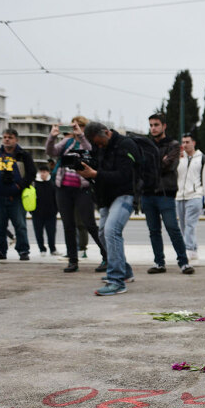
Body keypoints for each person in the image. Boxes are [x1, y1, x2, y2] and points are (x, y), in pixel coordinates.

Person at [76, 122, 138, 296]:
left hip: (126, 194)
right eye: (95, 144)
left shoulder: (126, 145)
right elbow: (97, 167)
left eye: (99, 142)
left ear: (106, 132)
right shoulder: (98, 147)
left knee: (112, 230)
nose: (98, 146)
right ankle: (124, 271)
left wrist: (95, 174)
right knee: (102, 234)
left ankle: (116, 281)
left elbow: (125, 175)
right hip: (106, 197)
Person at [46, 116, 107, 272]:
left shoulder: (89, 142)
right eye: (74, 126)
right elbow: (51, 151)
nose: (76, 128)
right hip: (64, 189)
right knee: (68, 226)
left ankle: (106, 255)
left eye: (80, 126)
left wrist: (80, 135)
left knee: (90, 224)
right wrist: (52, 136)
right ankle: (73, 260)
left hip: (82, 189)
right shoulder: (67, 142)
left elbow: (90, 151)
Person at [143, 113, 193, 275]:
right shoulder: (146, 144)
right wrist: (158, 161)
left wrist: (153, 163)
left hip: (166, 193)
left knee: (172, 228)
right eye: (151, 125)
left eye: (156, 124)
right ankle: (159, 262)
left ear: (164, 126)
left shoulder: (173, 144)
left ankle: (183, 262)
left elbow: (169, 166)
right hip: (148, 192)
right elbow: (141, 166)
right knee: (153, 230)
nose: (153, 128)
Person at [0, 128, 36, 261]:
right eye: (4, 137)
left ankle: (23, 250)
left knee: (20, 225)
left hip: (16, 197)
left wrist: (19, 185)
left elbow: (31, 173)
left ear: (16, 139)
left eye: (10, 137)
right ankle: (0, 251)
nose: (6, 140)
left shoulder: (23, 155)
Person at [176, 133, 205, 262]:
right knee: (183, 226)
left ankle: (188, 249)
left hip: (195, 195)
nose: (185, 145)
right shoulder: (179, 158)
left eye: (187, 142)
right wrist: (176, 159)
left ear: (194, 143)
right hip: (180, 196)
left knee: (190, 224)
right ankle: (193, 249)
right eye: (183, 142)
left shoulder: (202, 159)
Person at [32, 165, 59, 256]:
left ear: (48, 172)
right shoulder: (34, 183)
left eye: (45, 172)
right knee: (38, 233)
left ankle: (53, 249)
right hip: (37, 213)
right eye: (41, 172)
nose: (43, 174)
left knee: (51, 232)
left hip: (51, 213)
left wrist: (56, 210)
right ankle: (42, 249)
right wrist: (32, 211)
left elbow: (56, 198)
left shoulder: (52, 183)